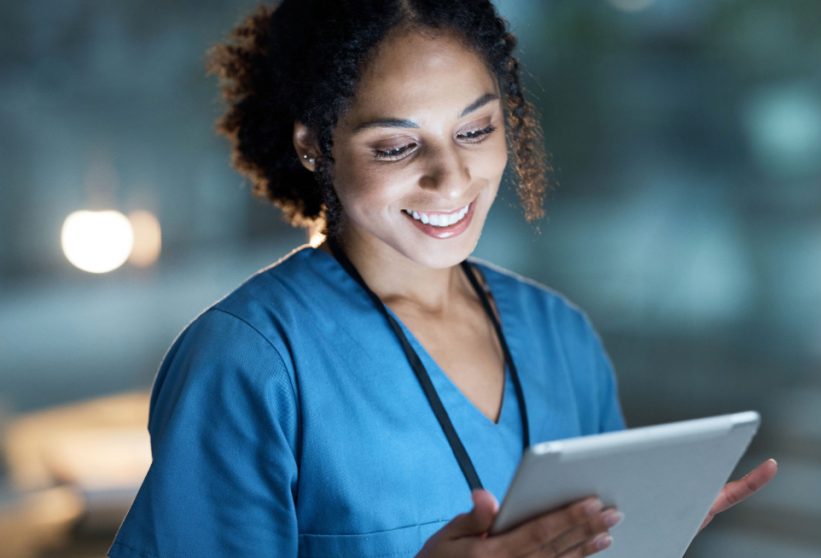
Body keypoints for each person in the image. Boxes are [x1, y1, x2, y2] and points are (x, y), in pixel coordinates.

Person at [108, 1, 777, 556]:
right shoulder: (248, 361)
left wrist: (643, 538)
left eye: (476, 130)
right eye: (397, 146)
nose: (452, 178)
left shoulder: (559, 335)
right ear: (315, 144)